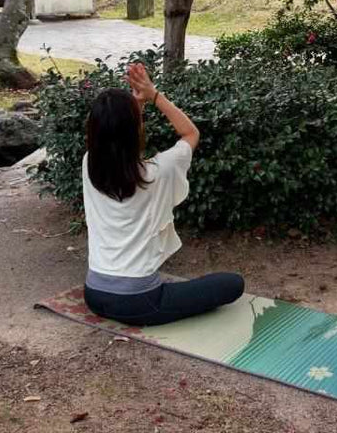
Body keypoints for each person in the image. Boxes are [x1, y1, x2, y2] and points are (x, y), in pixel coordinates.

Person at [82, 62, 244, 326]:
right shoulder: (159, 170)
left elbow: (123, 143)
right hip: (139, 302)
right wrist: (153, 95)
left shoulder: (89, 164)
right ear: (135, 129)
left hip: (95, 294)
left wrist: (139, 104)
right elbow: (191, 133)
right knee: (232, 284)